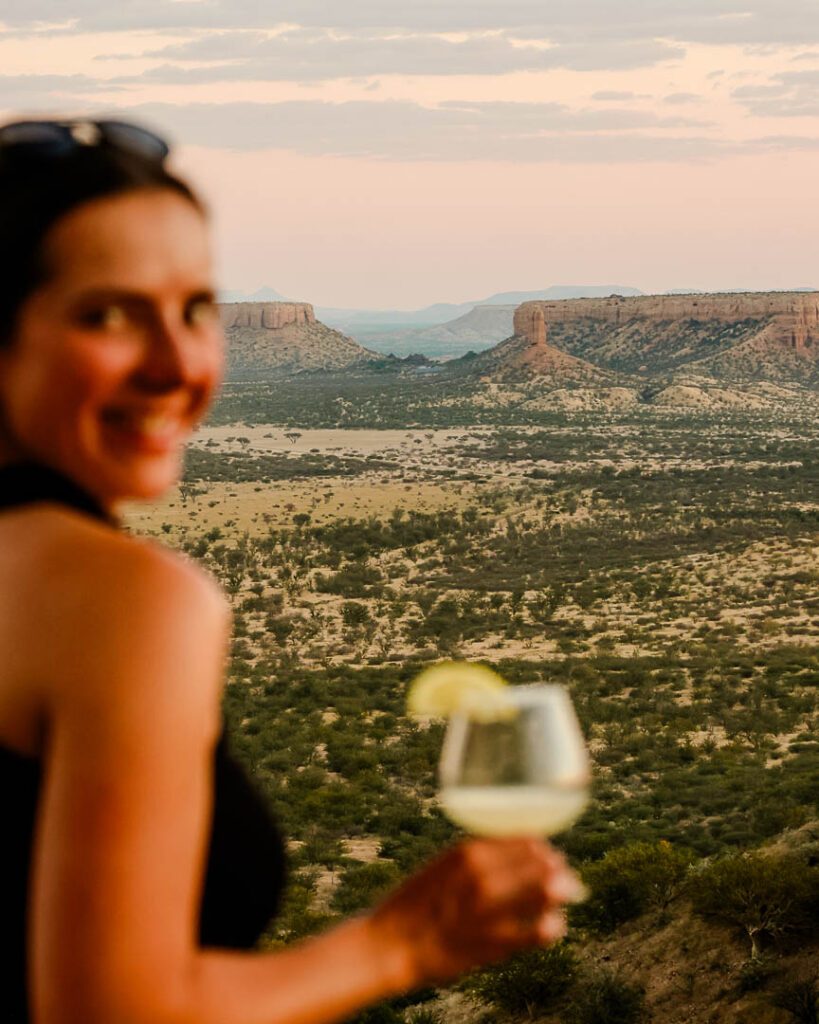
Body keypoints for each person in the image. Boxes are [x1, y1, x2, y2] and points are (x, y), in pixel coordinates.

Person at [0, 118, 583, 1024]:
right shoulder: (120, 601)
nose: (177, 364)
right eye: (108, 314)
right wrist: (403, 943)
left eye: (195, 308)